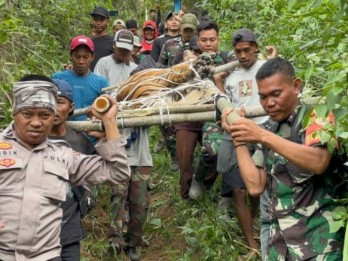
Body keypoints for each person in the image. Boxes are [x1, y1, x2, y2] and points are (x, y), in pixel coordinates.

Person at [221, 57, 345, 260]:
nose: (269, 103)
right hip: (280, 245)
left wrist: (261, 136)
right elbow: (255, 185)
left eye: (276, 94)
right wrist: (239, 136)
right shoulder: (270, 127)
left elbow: (319, 161)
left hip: (320, 243)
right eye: (262, 97)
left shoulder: (316, 116)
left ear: (296, 86)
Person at [0, 77, 130, 261]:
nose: (36, 122)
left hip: (47, 255)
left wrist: (109, 122)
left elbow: (118, 172)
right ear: (14, 113)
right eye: (27, 114)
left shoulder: (65, 155)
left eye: (44, 115)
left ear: (54, 116)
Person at [175, 21, 227, 199]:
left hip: (213, 115)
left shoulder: (226, 59)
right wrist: (186, 66)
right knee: (184, 157)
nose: (208, 44)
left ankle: (204, 185)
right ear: (197, 40)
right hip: (188, 115)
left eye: (212, 39)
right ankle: (186, 196)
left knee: (214, 153)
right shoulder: (187, 59)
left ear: (218, 40)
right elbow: (172, 82)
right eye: (204, 40)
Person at [50, 79, 96, 261]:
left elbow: (101, 171)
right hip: (36, 235)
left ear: (71, 107)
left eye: (59, 102)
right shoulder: (30, 140)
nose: (52, 108)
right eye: (48, 101)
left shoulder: (79, 139)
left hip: (69, 232)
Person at [52, 35, 109, 123]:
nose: (81, 62)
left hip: (90, 134)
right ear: (71, 56)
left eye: (85, 57)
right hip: (63, 133)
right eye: (77, 57)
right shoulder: (57, 79)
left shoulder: (101, 83)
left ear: (92, 57)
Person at [89, 6, 114, 71]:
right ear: (92, 21)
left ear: (108, 22)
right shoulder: (88, 42)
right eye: (96, 19)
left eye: (102, 20)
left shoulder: (113, 42)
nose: (98, 23)